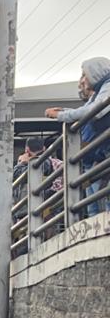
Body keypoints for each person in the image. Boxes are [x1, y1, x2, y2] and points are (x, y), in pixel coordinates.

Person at [46, 57, 110, 217]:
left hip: (100, 155)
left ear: (95, 72)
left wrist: (62, 115)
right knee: (95, 202)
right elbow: (87, 109)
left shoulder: (108, 86)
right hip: (97, 155)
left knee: (100, 198)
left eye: (84, 75)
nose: (82, 80)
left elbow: (97, 109)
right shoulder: (101, 90)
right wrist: (64, 111)